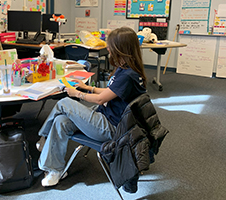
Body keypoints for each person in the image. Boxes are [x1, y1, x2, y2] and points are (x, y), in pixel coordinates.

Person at [36, 27, 147, 187]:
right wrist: (88, 88)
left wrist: (78, 94)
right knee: (61, 121)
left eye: (111, 46)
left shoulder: (128, 76)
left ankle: (43, 137)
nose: (108, 49)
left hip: (113, 129)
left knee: (65, 103)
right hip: (107, 119)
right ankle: (56, 169)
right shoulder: (127, 70)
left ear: (121, 49)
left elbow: (101, 99)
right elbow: (110, 92)